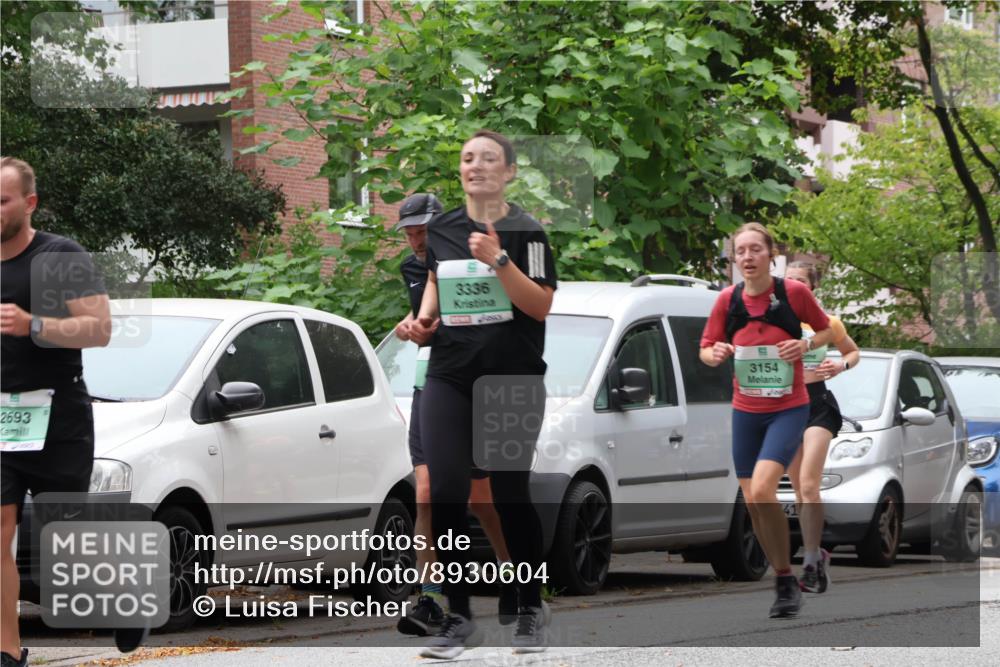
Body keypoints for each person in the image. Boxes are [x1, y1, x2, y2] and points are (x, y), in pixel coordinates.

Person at [408, 130, 557, 658]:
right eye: (468, 158)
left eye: (488, 158)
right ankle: (459, 616)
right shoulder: (443, 228)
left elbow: (539, 306)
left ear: (509, 171)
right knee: (445, 489)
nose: (476, 166)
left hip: (511, 378)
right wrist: (421, 322)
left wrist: (499, 259)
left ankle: (531, 608)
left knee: (510, 495)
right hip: (449, 374)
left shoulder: (528, 232)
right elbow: (435, 281)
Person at [1, 157, 111, 667]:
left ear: (29, 203)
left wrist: (35, 326)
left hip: (58, 417)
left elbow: (99, 329)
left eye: (2, 201)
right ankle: (7, 651)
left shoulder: (58, 258)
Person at [391, 193, 515, 637]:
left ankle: (514, 575)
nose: (415, 239)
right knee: (426, 493)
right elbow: (417, 318)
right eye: (408, 232)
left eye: (422, 230)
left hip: (469, 384)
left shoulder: (470, 255)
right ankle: (430, 596)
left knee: (482, 499)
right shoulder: (412, 268)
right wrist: (411, 327)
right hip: (429, 384)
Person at [699, 222, 834, 618]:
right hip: (745, 412)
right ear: (734, 259)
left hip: (789, 408)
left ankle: (797, 567)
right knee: (756, 502)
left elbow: (827, 330)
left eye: (755, 249)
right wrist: (717, 353)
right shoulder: (728, 300)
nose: (747, 257)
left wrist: (806, 343)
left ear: (770, 255)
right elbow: (705, 349)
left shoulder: (793, 293)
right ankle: (785, 579)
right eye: (740, 251)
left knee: (761, 490)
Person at [784, 261, 860, 594]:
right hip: (784, 407)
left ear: (811, 288)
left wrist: (841, 364)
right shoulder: (771, 321)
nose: (793, 285)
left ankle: (811, 562)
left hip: (817, 405)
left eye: (800, 281)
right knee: (799, 490)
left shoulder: (827, 323)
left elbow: (852, 352)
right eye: (787, 279)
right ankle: (817, 553)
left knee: (809, 484)